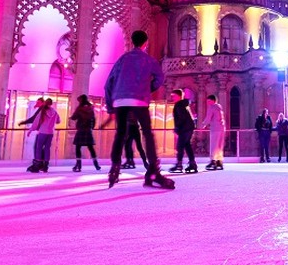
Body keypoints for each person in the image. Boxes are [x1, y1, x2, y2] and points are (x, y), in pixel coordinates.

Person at [104, 30, 173, 189]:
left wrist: (110, 107)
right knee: (147, 133)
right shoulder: (148, 60)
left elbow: (108, 84)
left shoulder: (122, 59)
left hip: (120, 100)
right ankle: (154, 171)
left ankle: (114, 168)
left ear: (133, 42)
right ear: (145, 43)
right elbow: (160, 78)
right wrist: (148, 88)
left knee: (120, 134)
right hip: (139, 99)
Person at [24, 98, 60, 173]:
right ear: (51, 104)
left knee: (38, 147)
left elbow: (36, 121)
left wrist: (31, 130)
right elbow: (58, 121)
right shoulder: (54, 112)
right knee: (47, 148)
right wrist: (51, 122)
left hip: (42, 132)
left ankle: (37, 164)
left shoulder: (43, 111)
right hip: (50, 133)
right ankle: (45, 165)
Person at [169, 89, 199, 174]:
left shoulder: (179, 105)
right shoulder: (184, 105)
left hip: (184, 128)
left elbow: (181, 117)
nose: (172, 98)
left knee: (180, 146)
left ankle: (179, 164)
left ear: (179, 96)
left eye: (173, 96)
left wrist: (177, 127)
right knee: (187, 145)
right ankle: (192, 163)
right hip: (188, 128)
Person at [70, 94, 101, 173]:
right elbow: (94, 119)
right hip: (88, 130)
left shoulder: (79, 108)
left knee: (78, 147)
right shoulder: (91, 108)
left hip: (81, 129)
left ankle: (78, 165)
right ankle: (96, 164)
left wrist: (71, 117)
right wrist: (91, 127)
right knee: (91, 148)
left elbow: (74, 117)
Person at [200, 94, 226, 171]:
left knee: (214, 145)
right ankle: (219, 161)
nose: (208, 103)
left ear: (213, 101)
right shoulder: (219, 107)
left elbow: (208, 118)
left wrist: (202, 126)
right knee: (219, 145)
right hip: (222, 128)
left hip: (215, 129)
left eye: (209, 101)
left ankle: (213, 161)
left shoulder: (212, 107)